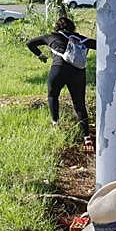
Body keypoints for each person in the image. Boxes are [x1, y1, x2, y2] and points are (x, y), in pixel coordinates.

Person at [26, 17, 97, 151]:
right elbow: (101, 45)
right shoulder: (82, 39)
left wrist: (40, 55)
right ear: (72, 27)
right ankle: (87, 137)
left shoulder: (51, 36)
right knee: (79, 104)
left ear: (57, 27)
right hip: (78, 73)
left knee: (53, 95)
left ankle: (55, 123)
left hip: (58, 69)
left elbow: (30, 43)